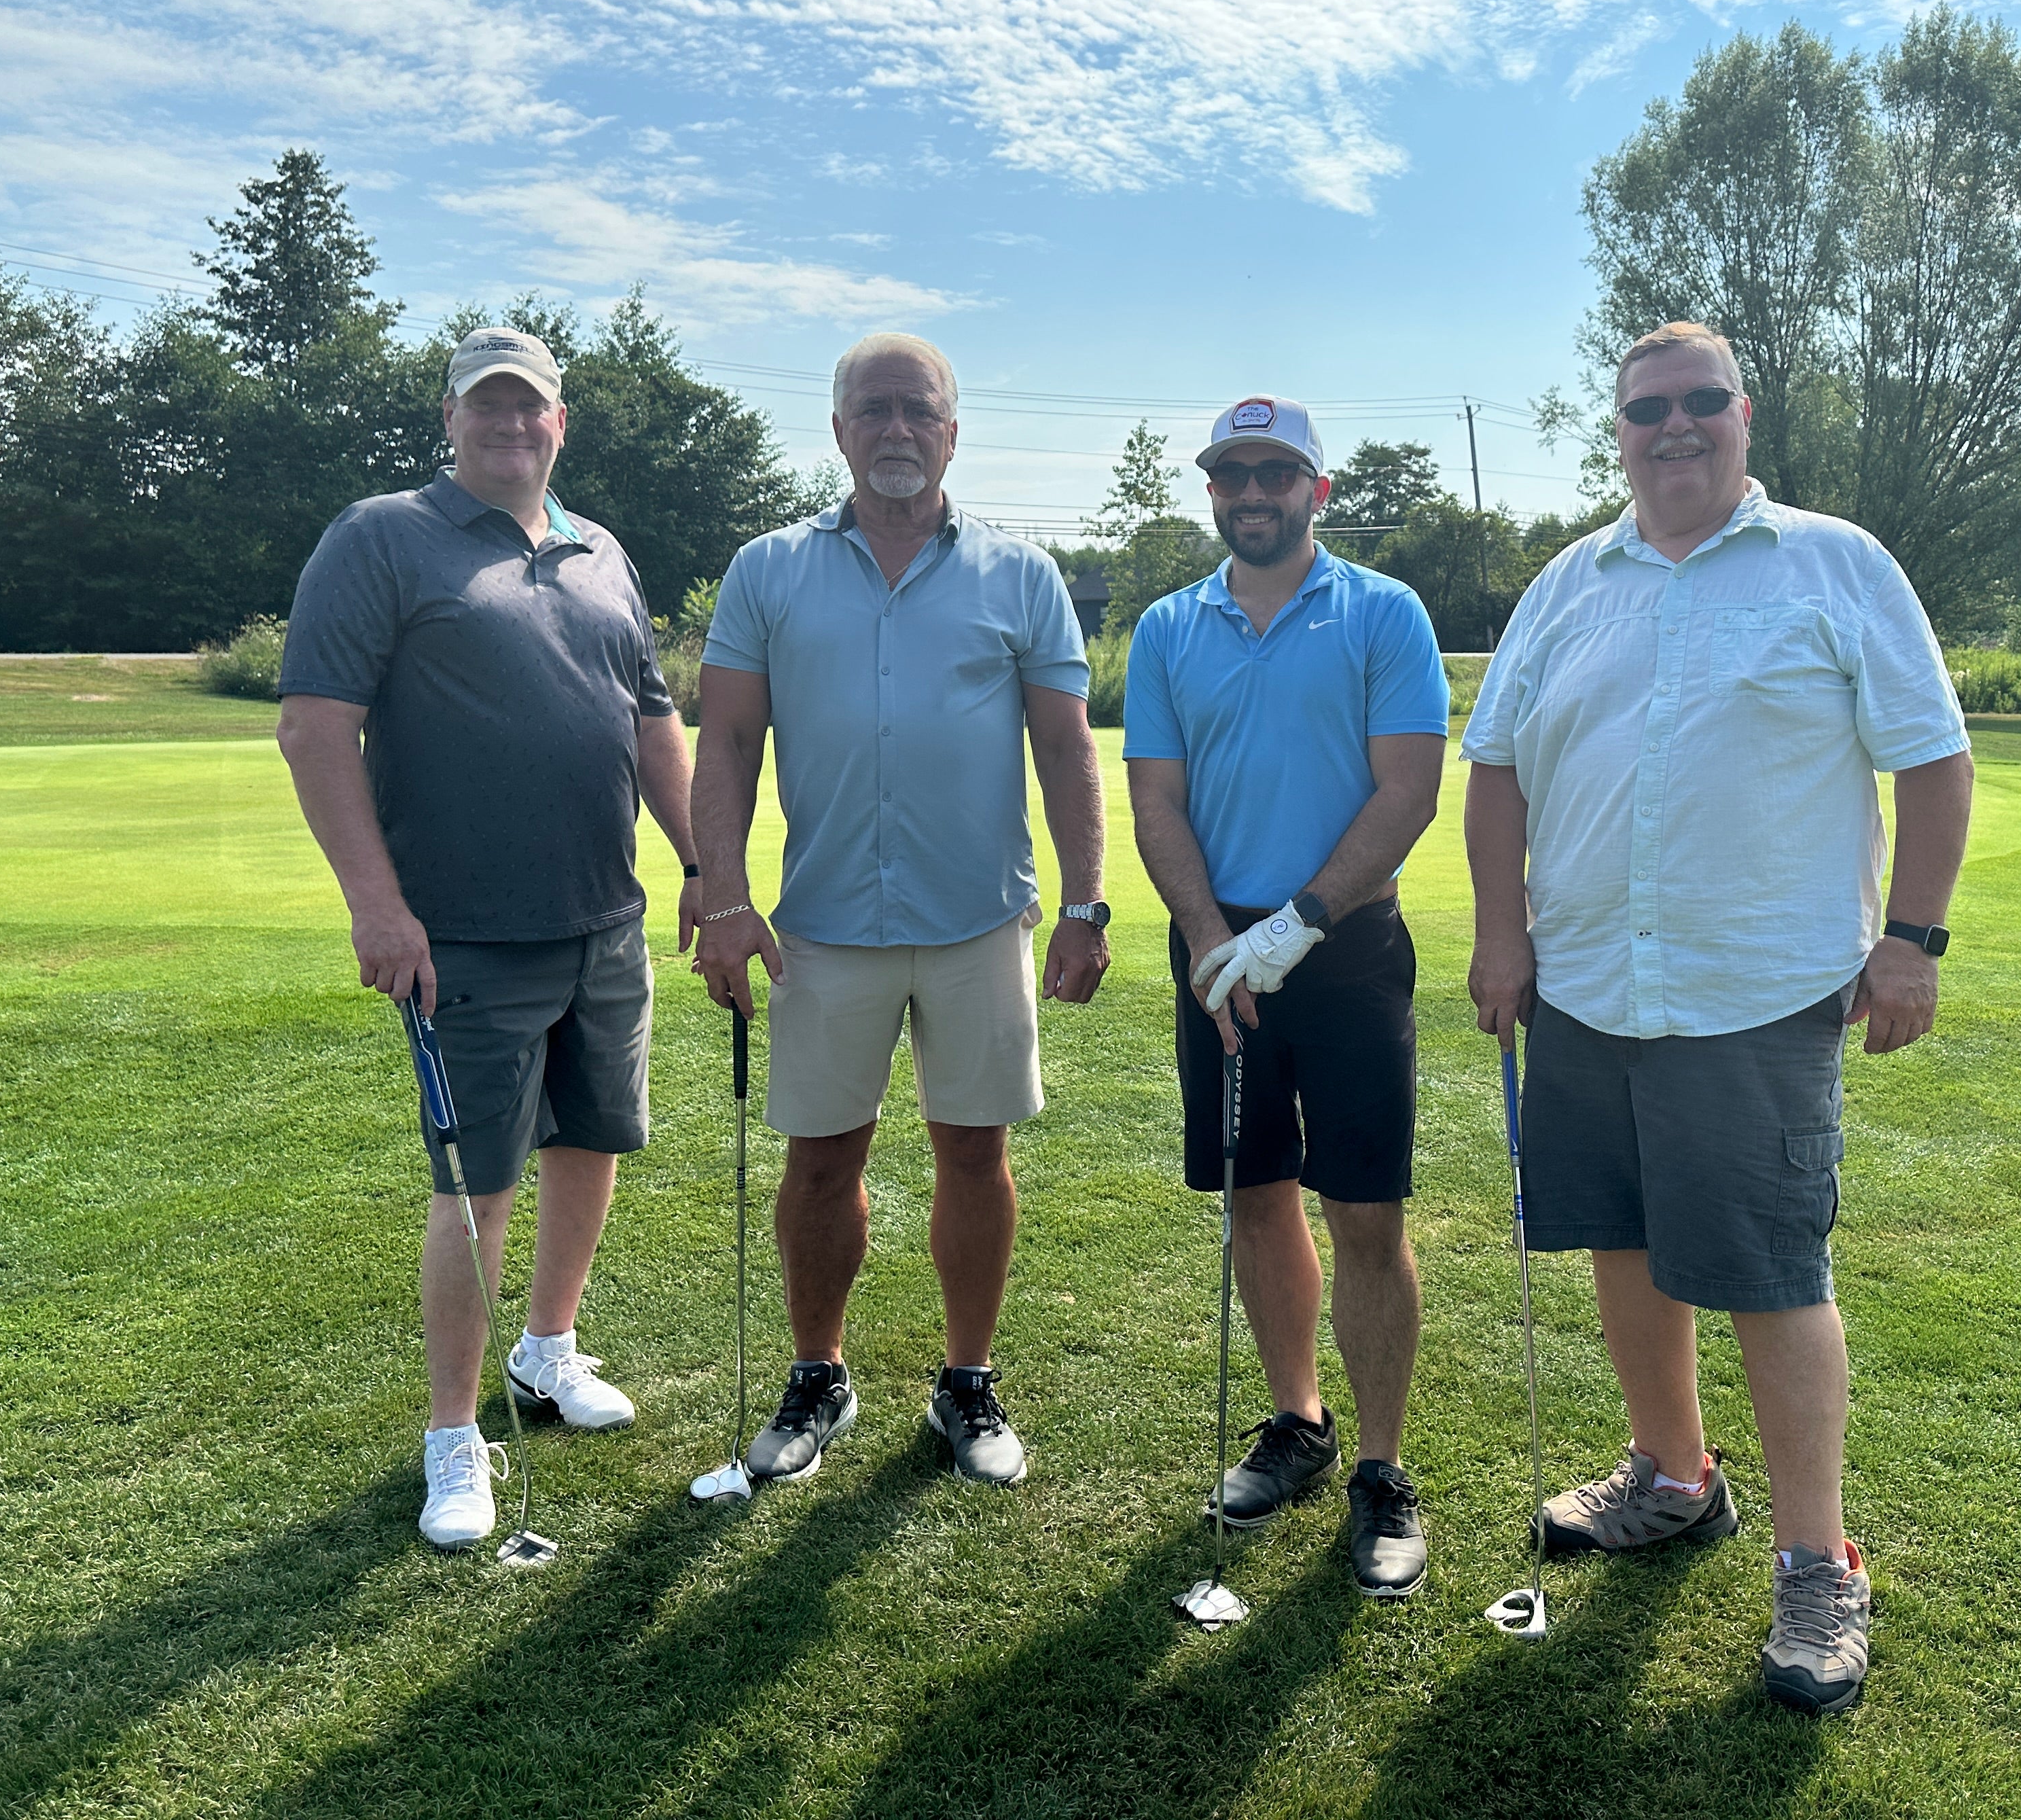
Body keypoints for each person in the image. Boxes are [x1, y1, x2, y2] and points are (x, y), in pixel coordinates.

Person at [1463, 321, 1973, 1713]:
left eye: (1700, 404)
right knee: (1622, 1241)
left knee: (1767, 1272)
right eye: (1647, 411)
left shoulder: (1833, 562)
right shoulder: (1571, 584)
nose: (1673, 429)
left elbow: (1933, 759)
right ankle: (1674, 1477)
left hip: (1753, 992)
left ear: (1745, 417)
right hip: (1585, 986)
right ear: (1617, 431)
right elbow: (1496, 768)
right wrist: (1503, 933)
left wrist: (1912, 940)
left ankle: (1820, 1565)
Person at [278, 325, 698, 1549]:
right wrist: (376, 902)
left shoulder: (601, 550)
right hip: (461, 934)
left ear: (561, 421)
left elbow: (651, 721)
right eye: (487, 406)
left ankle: (548, 1353)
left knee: (593, 1142)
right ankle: (455, 1437)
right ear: (451, 417)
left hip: (603, 922)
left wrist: (705, 867)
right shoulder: (381, 536)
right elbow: (315, 730)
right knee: (475, 1187)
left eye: (533, 407)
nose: (511, 425)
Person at [688, 332, 1108, 1489]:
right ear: (836, 431)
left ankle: (967, 1382)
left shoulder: (1020, 573)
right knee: (821, 1164)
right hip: (821, 923)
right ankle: (818, 1372)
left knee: (977, 1153)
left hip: (981, 919)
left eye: (917, 411)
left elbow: (1066, 751)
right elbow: (723, 742)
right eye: (871, 410)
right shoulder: (768, 569)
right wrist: (720, 896)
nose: (895, 431)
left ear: (952, 432)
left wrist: (1088, 903)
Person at [1124, 395, 1450, 1599]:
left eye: (1276, 474)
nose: (1251, 494)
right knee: (1255, 1196)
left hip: (1348, 947)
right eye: (1232, 476)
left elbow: (1408, 789)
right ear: (1212, 492)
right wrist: (1215, 938)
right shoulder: (1168, 627)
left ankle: (1379, 1469)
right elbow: (1157, 799)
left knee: (1365, 1210)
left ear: (1317, 490)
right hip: (1219, 953)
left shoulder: (1383, 612)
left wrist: (1297, 925)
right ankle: (1297, 1425)